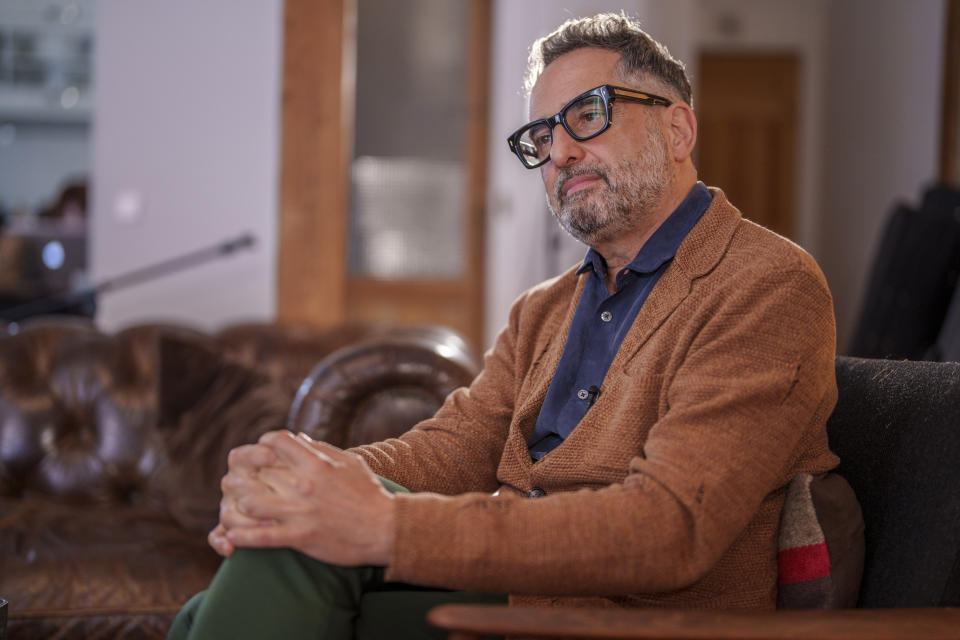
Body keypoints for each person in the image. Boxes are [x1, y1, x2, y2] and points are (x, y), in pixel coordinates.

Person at [168, 12, 839, 639]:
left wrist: (382, 524)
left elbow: (671, 527)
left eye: (587, 115)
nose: (560, 154)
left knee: (269, 574)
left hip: (628, 618)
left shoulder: (764, 285)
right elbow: (452, 449)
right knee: (249, 573)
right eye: (542, 136)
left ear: (678, 129)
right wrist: (307, 479)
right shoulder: (543, 310)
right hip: (521, 592)